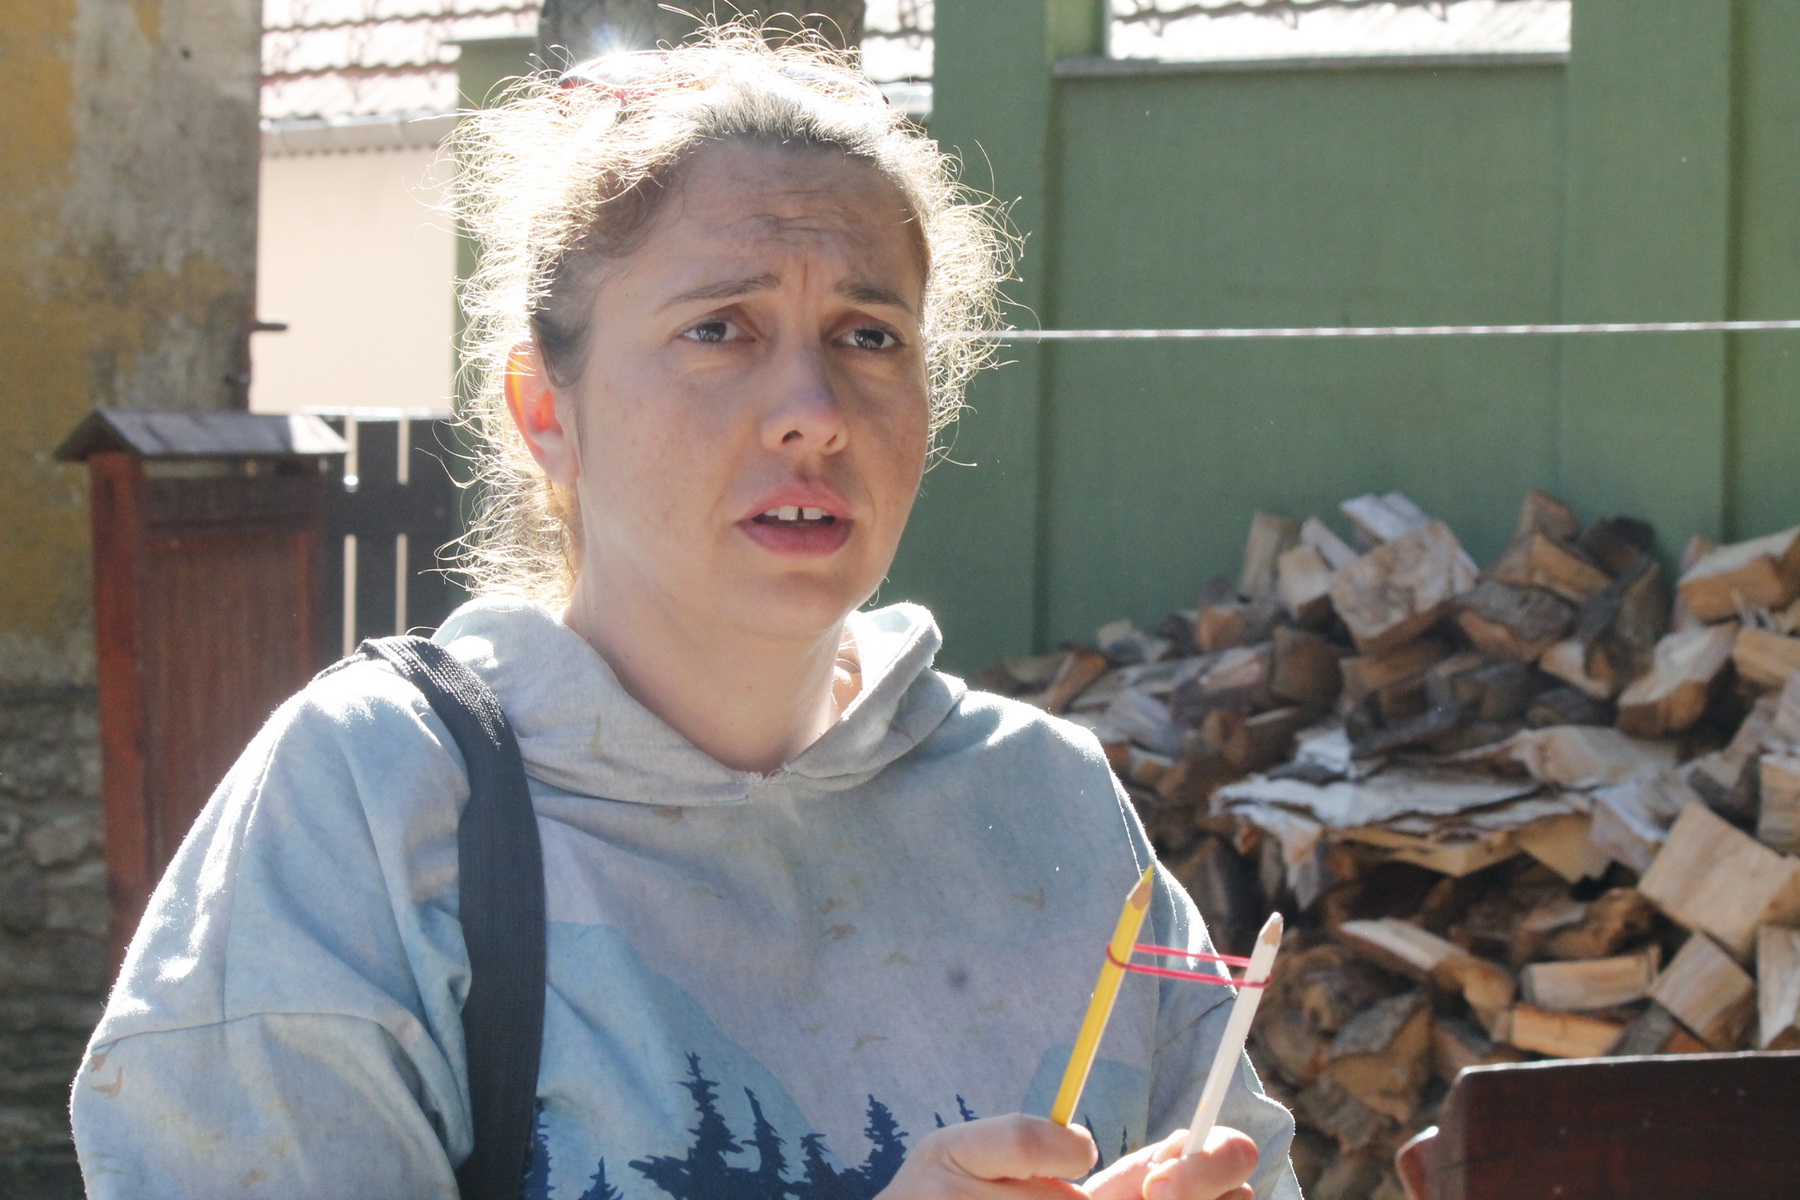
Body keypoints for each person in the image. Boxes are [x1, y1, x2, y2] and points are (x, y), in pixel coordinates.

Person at [70, 27, 1299, 1200]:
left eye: (868, 335)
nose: (813, 410)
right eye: (719, 328)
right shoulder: (378, 806)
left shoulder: (1049, 809)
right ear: (546, 410)